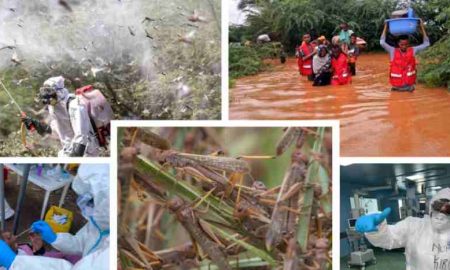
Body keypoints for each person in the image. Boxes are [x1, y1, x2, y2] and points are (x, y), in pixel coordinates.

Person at [0, 164, 110, 270]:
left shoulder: (110, 256)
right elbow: (81, 243)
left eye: (92, 201)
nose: (83, 204)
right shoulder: (100, 224)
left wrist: (18, 263)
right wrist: (54, 239)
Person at [355, 188, 450, 270]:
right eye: (437, 208)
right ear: (431, 209)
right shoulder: (414, 226)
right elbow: (389, 238)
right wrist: (377, 227)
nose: (441, 214)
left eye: (447, 210)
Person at [21, 76, 100, 157]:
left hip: (86, 152)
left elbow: (81, 136)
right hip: (68, 150)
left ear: (58, 92)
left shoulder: (74, 105)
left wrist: (75, 157)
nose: (48, 99)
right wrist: (36, 125)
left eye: (49, 91)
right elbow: (55, 131)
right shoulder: (53, 107)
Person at [380, 20, 430, 92]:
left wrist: (421, 27)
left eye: (406, 44)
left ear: (408, 44)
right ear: (398, 44)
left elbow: (426, 44)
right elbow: (382, 42)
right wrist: (386, 26)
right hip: (396, 87)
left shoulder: (413, 50)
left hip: (409, 87)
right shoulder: (392, 51)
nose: (404, 46)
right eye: (402, 44)